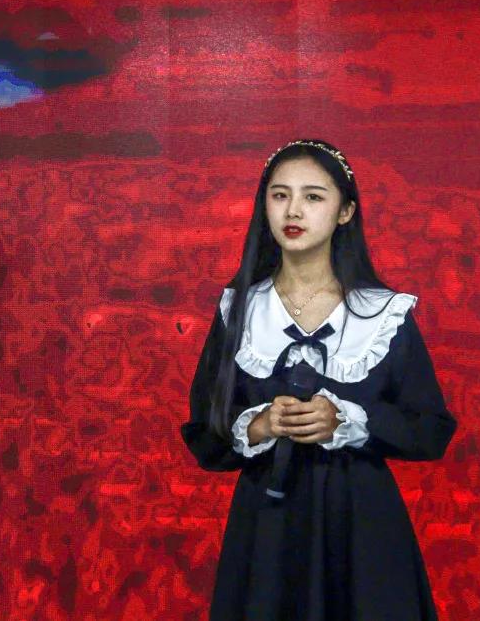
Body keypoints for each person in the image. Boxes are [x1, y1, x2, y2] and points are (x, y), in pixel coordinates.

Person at [181, 140, 457, 621]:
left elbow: (431, 430)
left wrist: (350, 421)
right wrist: (260, 426)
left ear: (345, 211)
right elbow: (205, 432)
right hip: (267, 532)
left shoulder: (383, 314)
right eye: (279, 195)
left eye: (313, 196)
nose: (293, 210)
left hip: (363, 532)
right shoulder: (239, 310)